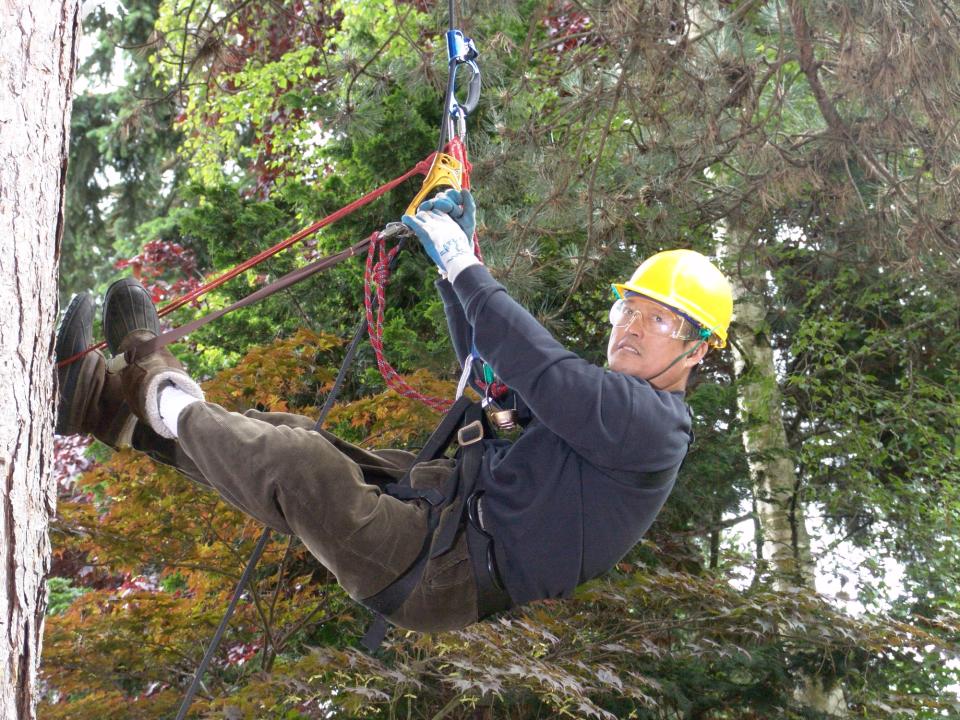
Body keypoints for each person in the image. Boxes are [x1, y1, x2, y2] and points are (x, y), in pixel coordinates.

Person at [54, 189, 733, 633]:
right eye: (628, 310)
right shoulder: (606, 415)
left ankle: (151, 379)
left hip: (445, 570)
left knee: (298, 465)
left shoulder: (652, 428)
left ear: (698, 352)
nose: (631, 328)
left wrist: (467, 265)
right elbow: (494, 375)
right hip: (438, 514)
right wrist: (451, 277)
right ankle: (101, 407)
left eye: (660, 322)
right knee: (285, 437)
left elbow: (543, 370)